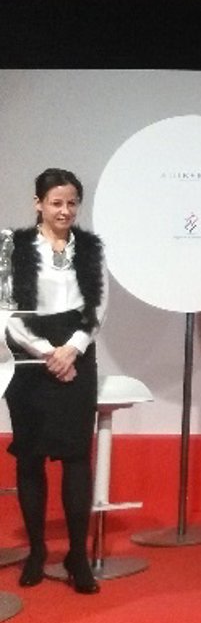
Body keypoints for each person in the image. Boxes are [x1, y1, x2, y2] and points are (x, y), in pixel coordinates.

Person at [4, 168, 106, 594]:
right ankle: (37, 551)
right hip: (29, 353)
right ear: (38, 204)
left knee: (76, 455)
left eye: (72, 203)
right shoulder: (13, 247)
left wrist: (73, 348)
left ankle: (77, 555)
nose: (65, 211)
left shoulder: (91, 248)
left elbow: (98, 305)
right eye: (56, 202)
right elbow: (8, 311)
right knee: (30, 457)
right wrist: (47, 352)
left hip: (77, 351)